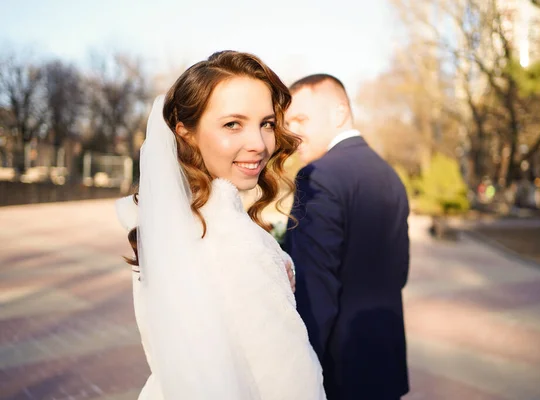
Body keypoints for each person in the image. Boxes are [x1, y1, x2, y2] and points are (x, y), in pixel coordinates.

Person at [115, 51, 326, 400]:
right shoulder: (233, 241)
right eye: (233, 124)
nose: (259, 144)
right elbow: (291, 382)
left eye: (267, 123)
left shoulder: (163, 226)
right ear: (187, 134)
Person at [284, 74, 410, 400]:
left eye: (300, 119)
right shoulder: (389, 175)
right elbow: (399, 272)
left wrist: (297, 375)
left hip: (339, 374)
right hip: (385, 365)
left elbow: (313, 292)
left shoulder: (318, 176)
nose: (291, 132)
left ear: (339, 113)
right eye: (287, 123)